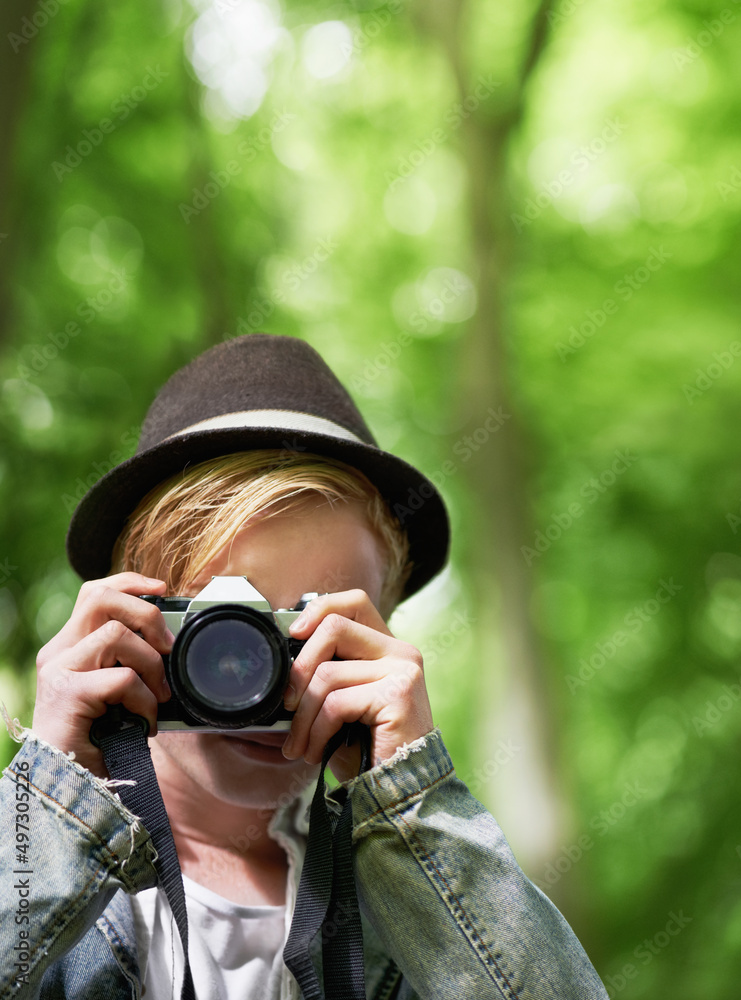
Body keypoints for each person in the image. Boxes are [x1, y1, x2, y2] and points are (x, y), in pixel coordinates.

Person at [0, 334, 609, 999]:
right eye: (225, 631)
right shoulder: (44, 872)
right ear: (132, 623)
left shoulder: (417, 911)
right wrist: (48, 806)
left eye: (311, 633)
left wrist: (412, 804)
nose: (262, 673)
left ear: (381, 650)